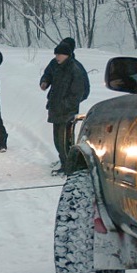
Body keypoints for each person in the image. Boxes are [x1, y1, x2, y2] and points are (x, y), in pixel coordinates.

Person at [39, 37, 89, 176]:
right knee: (58, 139)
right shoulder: (56, 64)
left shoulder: (75, 68)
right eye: (56, 54)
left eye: (59, 54)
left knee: (64, 140)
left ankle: (68, 166)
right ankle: (64, 162)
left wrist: (66, 105)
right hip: (56, 108)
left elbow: (80, 92)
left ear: (68, 53)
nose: (56, 57)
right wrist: (44, 82)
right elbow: (48, 74)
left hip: (66, 111)